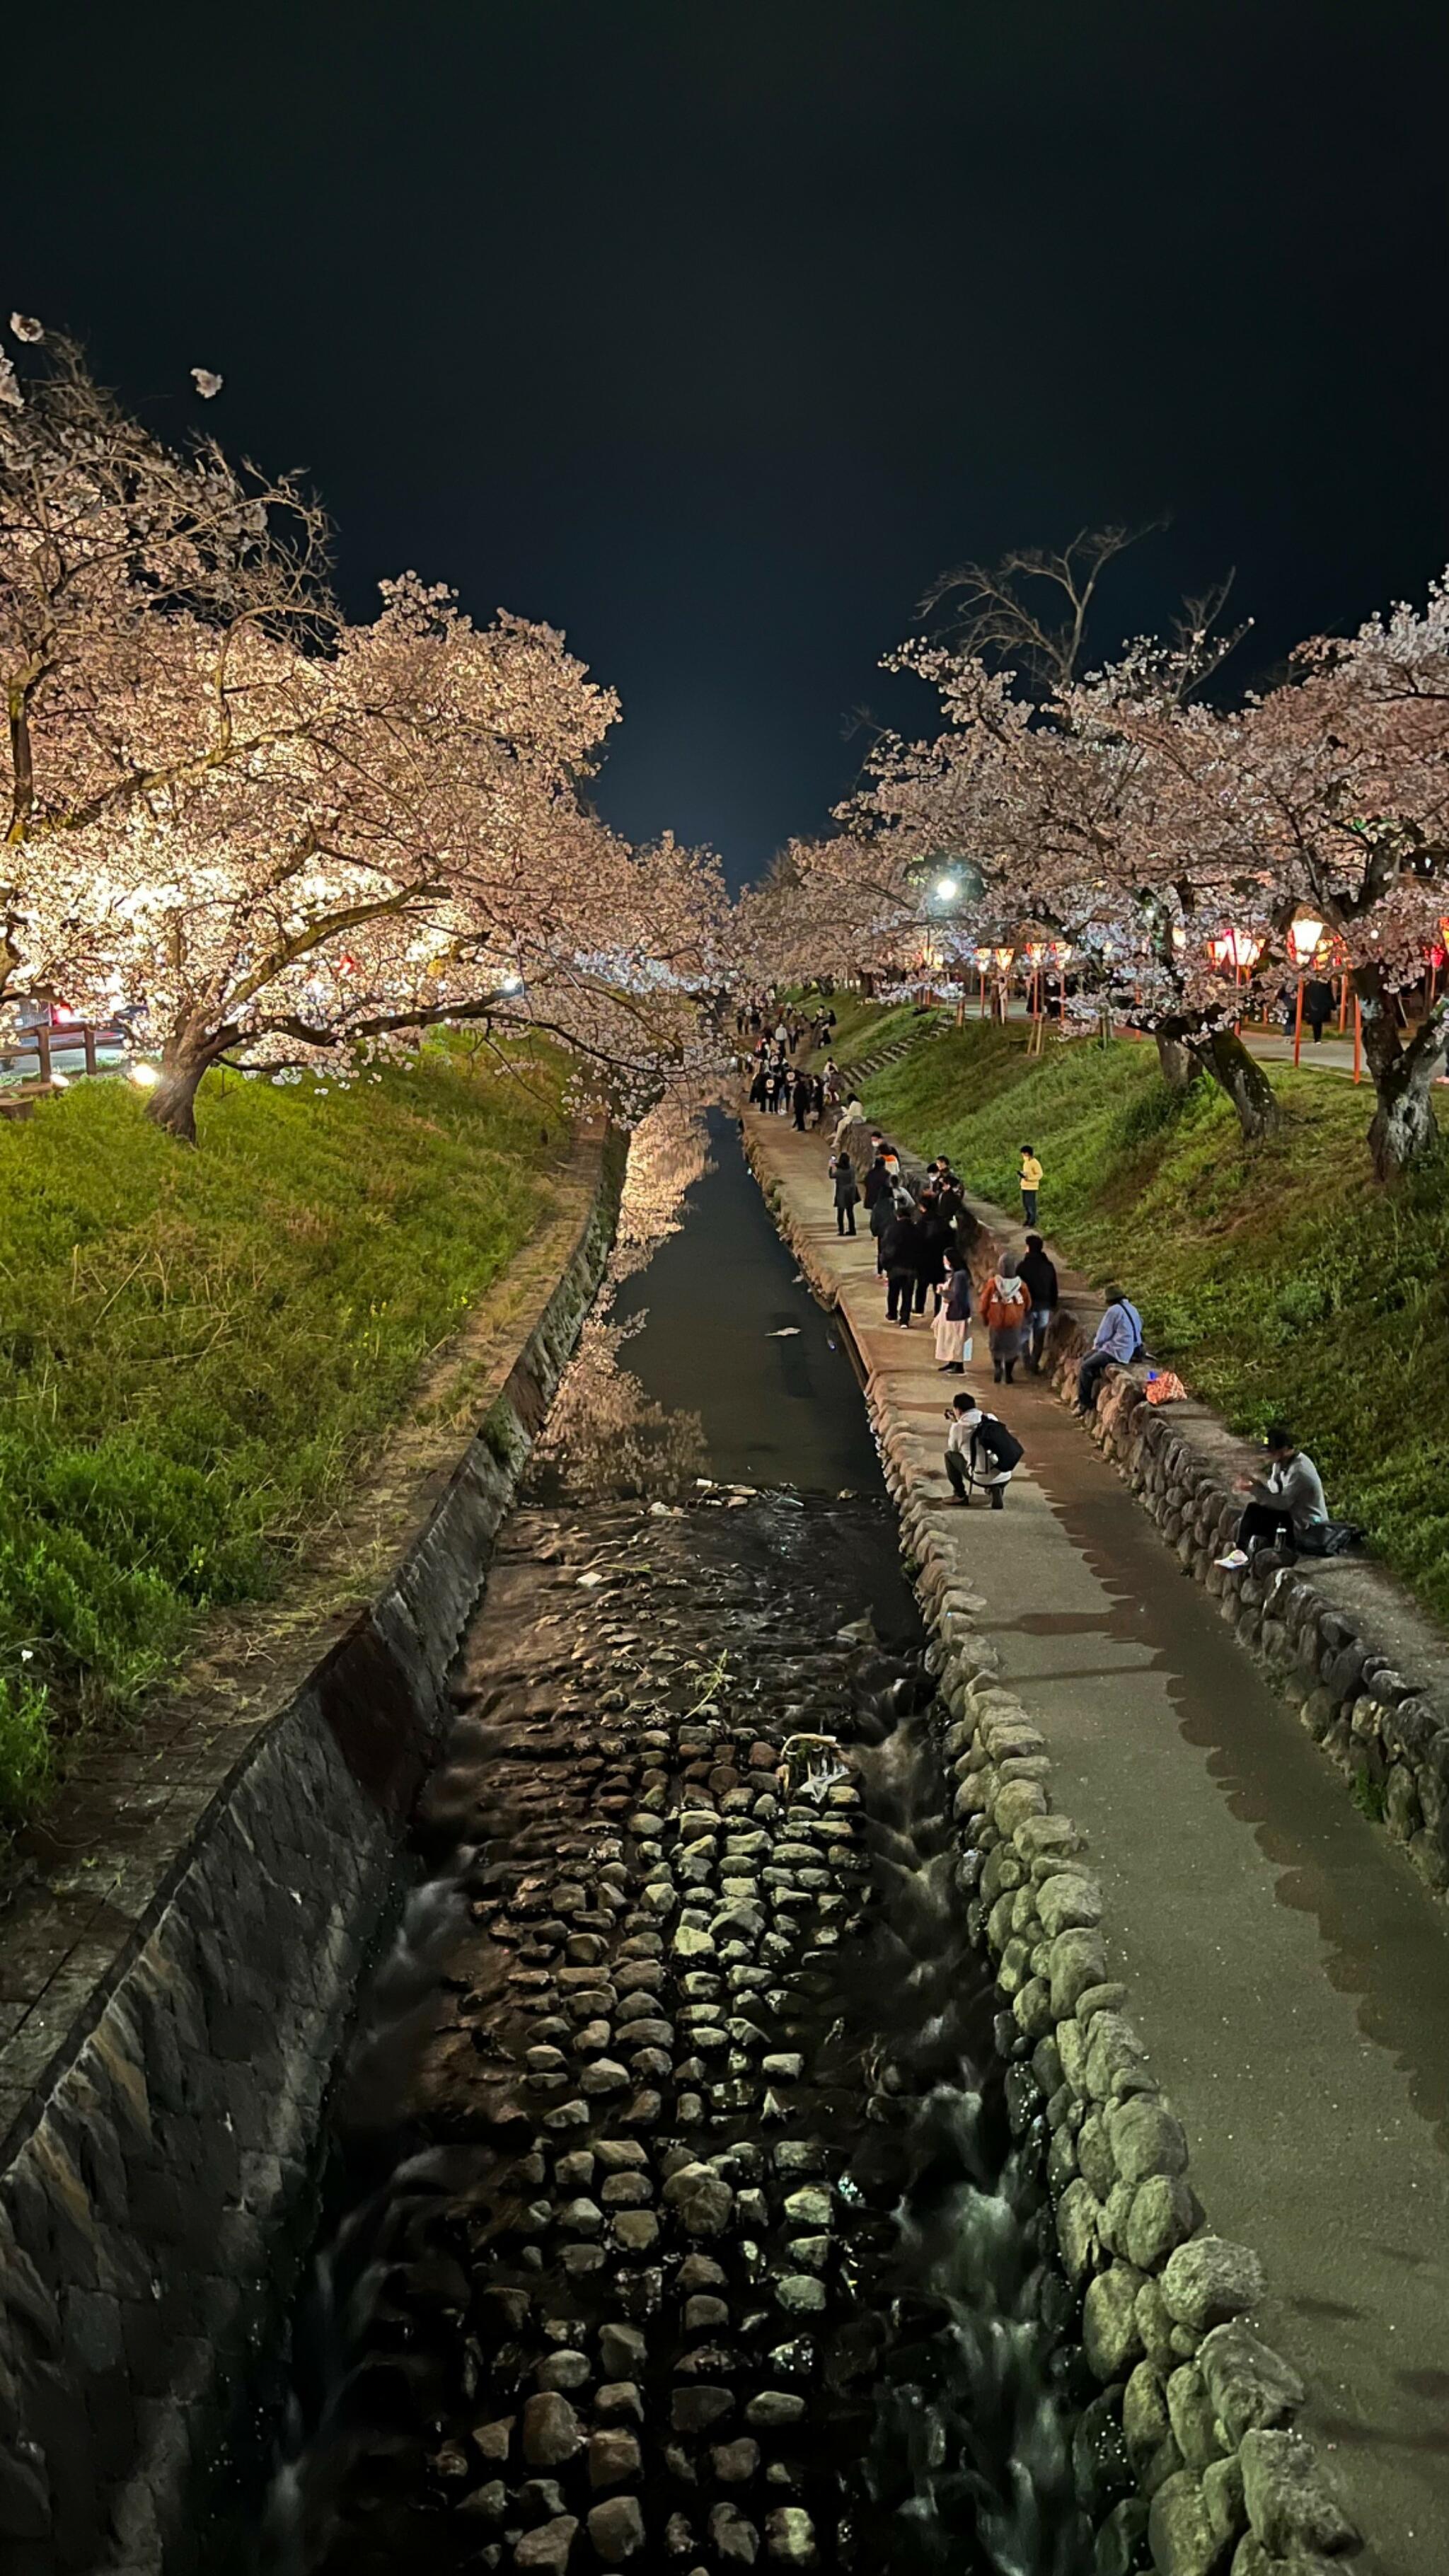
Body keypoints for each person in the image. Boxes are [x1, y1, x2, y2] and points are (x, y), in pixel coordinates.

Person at [1216, 1425, 1329, 1566]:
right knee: (1253, 1515)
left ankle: (1241, 1554)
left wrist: (1254, 1490)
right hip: (1290, 1517)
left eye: (1271, 1451)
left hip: (1306, 1528)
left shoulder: (1300, 1472)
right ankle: (1241, 1552)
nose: (1268, 1455)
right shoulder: (1280, 1465)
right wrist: (1256, 1483)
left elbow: (1281, 1503)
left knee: (1253, 1511)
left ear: (1283, 1450)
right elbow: (1273, 1492)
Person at [944, 1393, 1024, 1509]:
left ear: (958, 1410)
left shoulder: (958, 1428)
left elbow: (953, 1449)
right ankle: (996, 1489)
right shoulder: (991, 1418)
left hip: (981, 1478)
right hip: (1005, 1474)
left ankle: (960, 1495)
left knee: (949, 1456)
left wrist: (954, 1424)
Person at [1075, 1286, 1144, 1414]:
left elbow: (1103, 1334)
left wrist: (1096, 1348)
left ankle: (1084, 1402)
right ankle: (1088, 1390)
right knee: (1088, 1358)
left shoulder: (1114, 1311)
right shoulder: (1133, 1309)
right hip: (1133, 1348)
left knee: (1085, 1366)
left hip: (1117, 1351)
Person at [981, 1252, 1032, 1385]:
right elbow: (1028, 1303)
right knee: (1012, 1349)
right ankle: (1009, 1374)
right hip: (1014, 1322)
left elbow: (984, 1302)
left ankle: (998, 1368)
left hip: (996, 1321)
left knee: (996, 1346)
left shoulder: (993, 1283)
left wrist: (985, 1317)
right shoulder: (1021, 1285)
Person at [1019, 1232, 1058, 1373]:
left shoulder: (1023, 1266)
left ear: (1029, 1248)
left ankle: (1026, 1360)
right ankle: (1034, 1363)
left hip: (1027, 1306)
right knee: (1039, 1336)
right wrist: (1053, 1303)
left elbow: (1018, 1286)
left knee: (1023, 1334)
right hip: (1044, 1306)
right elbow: (1054, 1286)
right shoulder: (1048, 1266)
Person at [881, 1200, 923, 1325]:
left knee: (893, 1292)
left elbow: (887, 1250)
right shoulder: (916, 1230)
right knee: (907, 1295)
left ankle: (892, 1314)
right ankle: (904, 1320)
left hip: (895, 1268)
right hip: (911, 1269)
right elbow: (920, 1250)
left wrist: (886, 1266)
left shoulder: (892, 1230)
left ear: (898, 1216)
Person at [934, 1244, 973, 1370]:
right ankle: (952, 1361)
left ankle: (959, 1365)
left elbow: (957, 1295)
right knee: (951, 1338)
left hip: (957, 1312)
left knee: (957, 1339)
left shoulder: (960, 1276)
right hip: (953, 1311)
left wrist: (942, 1292)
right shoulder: (958, 1274)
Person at [916, 1189, 953, 1315]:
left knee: (921, 1286)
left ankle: (919, 1308)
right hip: (939, 1261)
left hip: (924, 1261)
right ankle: (938, 1310)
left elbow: (917, 1241)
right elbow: (951, 1240)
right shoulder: (942, 1222)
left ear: (922, 1207)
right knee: (938, 1287)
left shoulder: (921, 1223)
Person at [831, 1149, 860, 1236]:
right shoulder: (851, 1169)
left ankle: (841, 1230)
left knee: (840, 1214)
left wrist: (831, 1167)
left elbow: (831, 1176)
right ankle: (852, 1229)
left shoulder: (839, 1172)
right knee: (850, 1213)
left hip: (841, 1194)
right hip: (851, 1193)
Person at [1019, 1145, 1043, 1228]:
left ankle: (1032, 1222)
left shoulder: (1035, 1163)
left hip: (1031, 1187)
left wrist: (1030, 1178)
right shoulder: (1026, 1162)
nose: (1022, 1155)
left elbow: (1039, 1175)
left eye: (1023, 1153)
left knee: (1031, 1205)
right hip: (1024, 1186)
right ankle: (1028, 1219)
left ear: (1027, 1153)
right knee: (1025, 1204)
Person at [1304, 977, 1335, 1042]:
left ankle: (1317, 1038)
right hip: (1319, 1006)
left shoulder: (1310, 985)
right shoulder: (1324, 985)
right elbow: (1329, 996)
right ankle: (1318, 1038)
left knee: (1316, 1023)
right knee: (1318, 1023)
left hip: (1314, 1006)